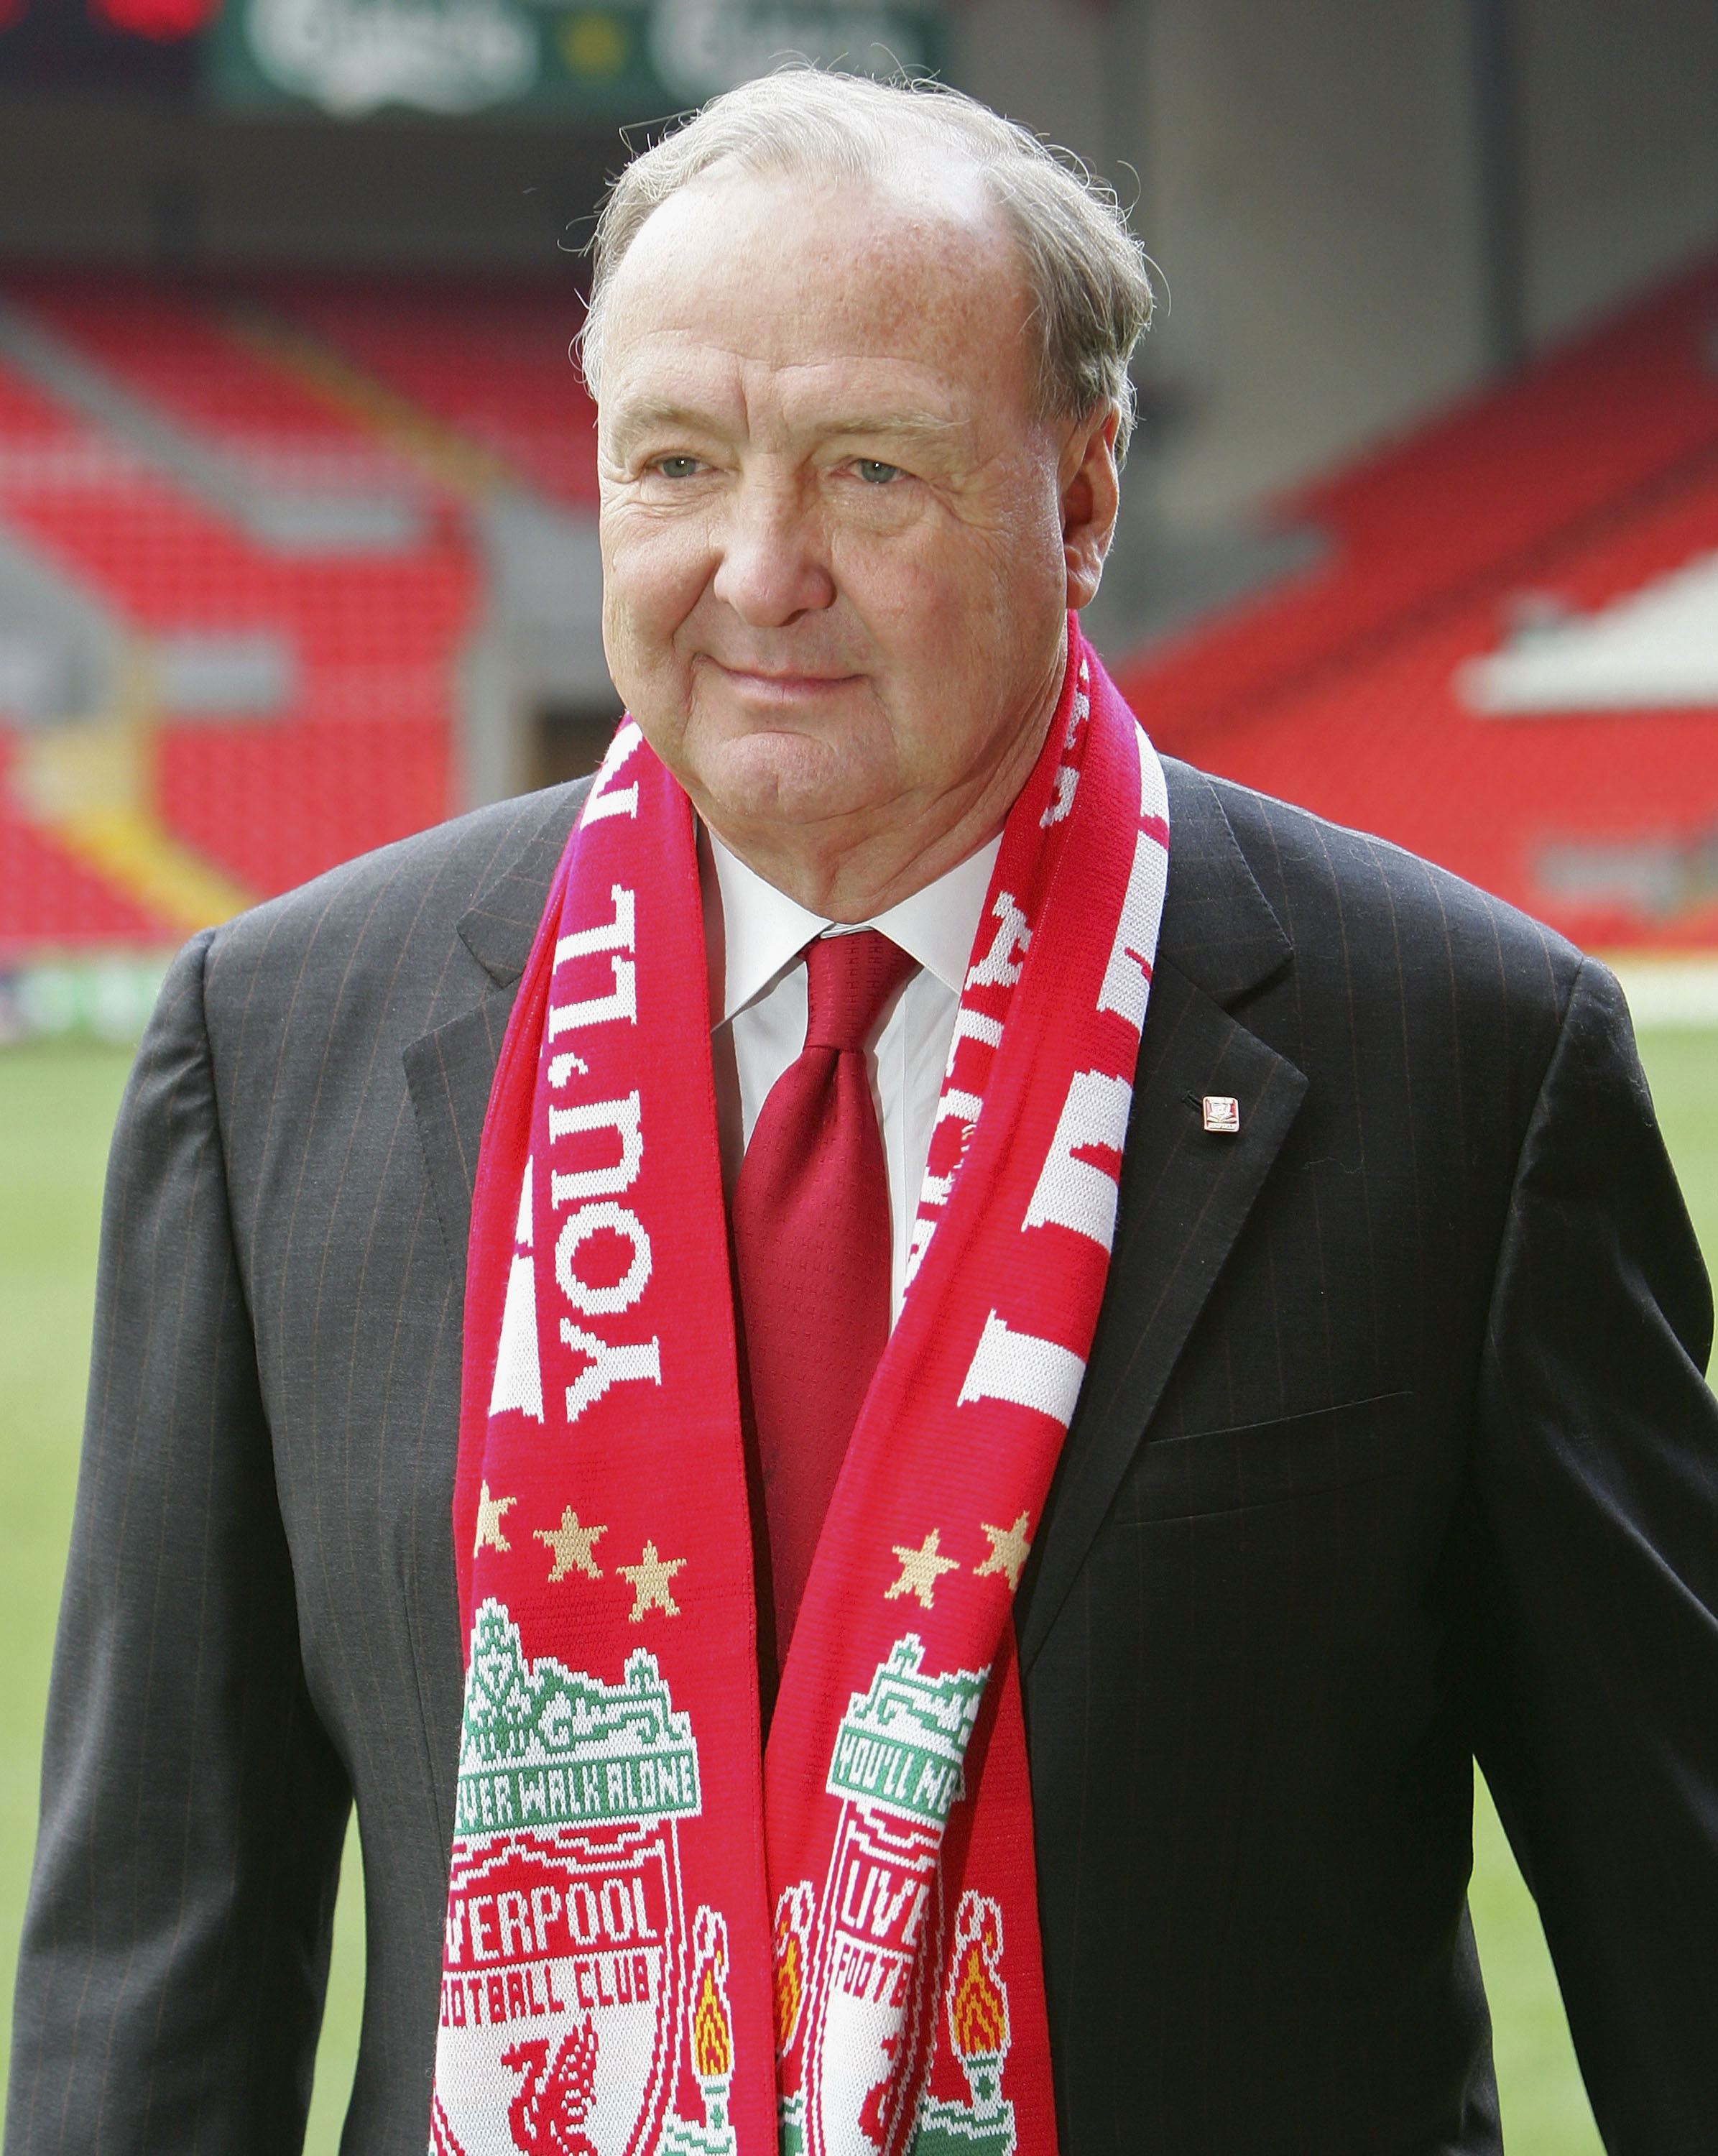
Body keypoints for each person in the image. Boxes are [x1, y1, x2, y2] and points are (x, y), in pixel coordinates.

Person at [9, 69, 1718, 2156]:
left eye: (872, 473)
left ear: (1082, 500)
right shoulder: (275, 1041)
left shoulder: (1464, 1062)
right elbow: (154, 1966)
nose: (760, 567)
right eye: (678, 463)